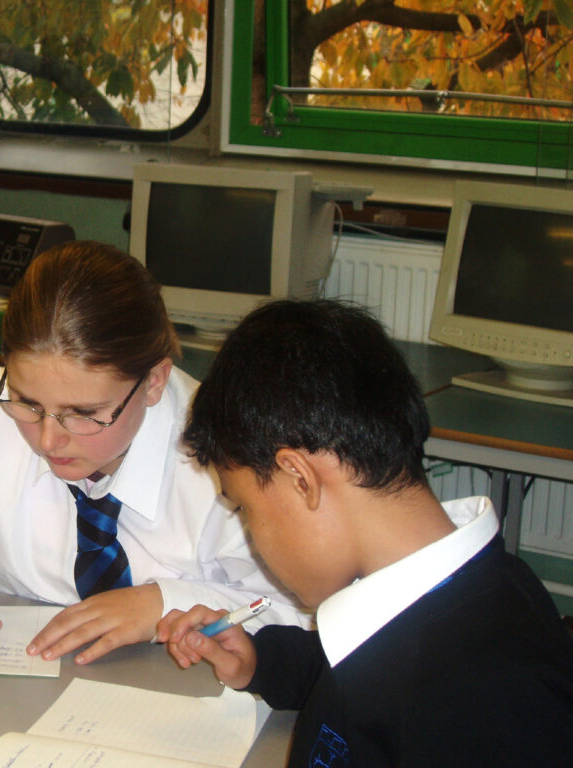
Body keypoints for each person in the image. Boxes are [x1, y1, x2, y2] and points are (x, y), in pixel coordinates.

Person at [0, 240, 307, 666]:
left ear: (154, 382)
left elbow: (300, 613)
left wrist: (161, 604)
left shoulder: (226, 454)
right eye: (29, 403)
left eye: (84, 413)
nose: (49, 440)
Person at [157, 299, 573, 766]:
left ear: (300, 479)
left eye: (246, 508)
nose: (252, 534)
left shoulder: (490, 702)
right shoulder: (447, 596)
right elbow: (365, 672)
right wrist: (262, 662)